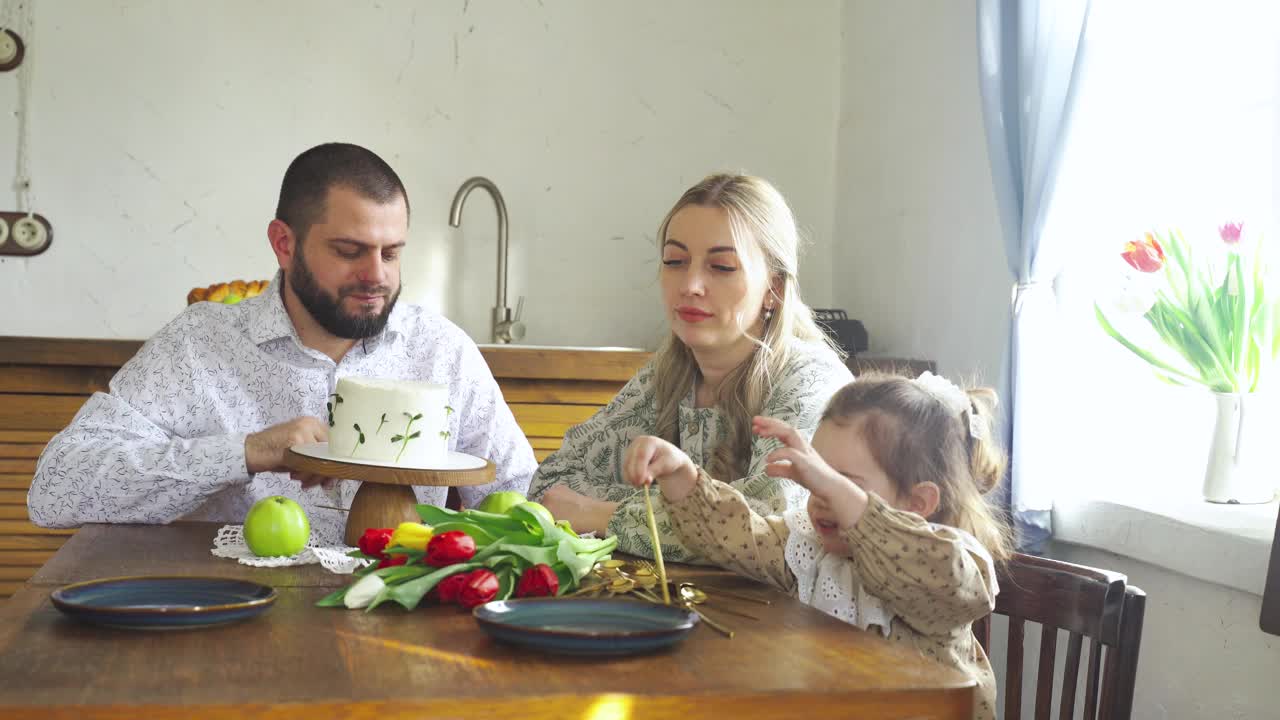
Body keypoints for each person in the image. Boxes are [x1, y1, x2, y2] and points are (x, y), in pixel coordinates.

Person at [27, 143, 537, 545]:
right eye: (349, 251)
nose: (376, 275)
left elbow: (524, 499)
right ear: (284, 243)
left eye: (392, 252)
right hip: (229, 628)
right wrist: (244, 452)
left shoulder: (442, 351)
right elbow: (57, 490)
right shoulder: (198, 346)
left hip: (398, 635)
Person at [622, 373, 1012, 720]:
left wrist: (837, 491)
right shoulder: (811, 548)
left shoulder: (950, 563)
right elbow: (735, 536)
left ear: (918, 503)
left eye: (842, 483)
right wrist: (679, 473)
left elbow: (936, 575)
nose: (820, 495)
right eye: (816, 477)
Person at [528, 173, 852, 562]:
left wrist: (597, 513)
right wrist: (680, 509)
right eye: (675, 261)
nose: (691, 284)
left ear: (774, 289)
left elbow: (770, 530)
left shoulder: (811, 378)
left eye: (721, 266)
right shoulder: (667, 374)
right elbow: (548, 486)